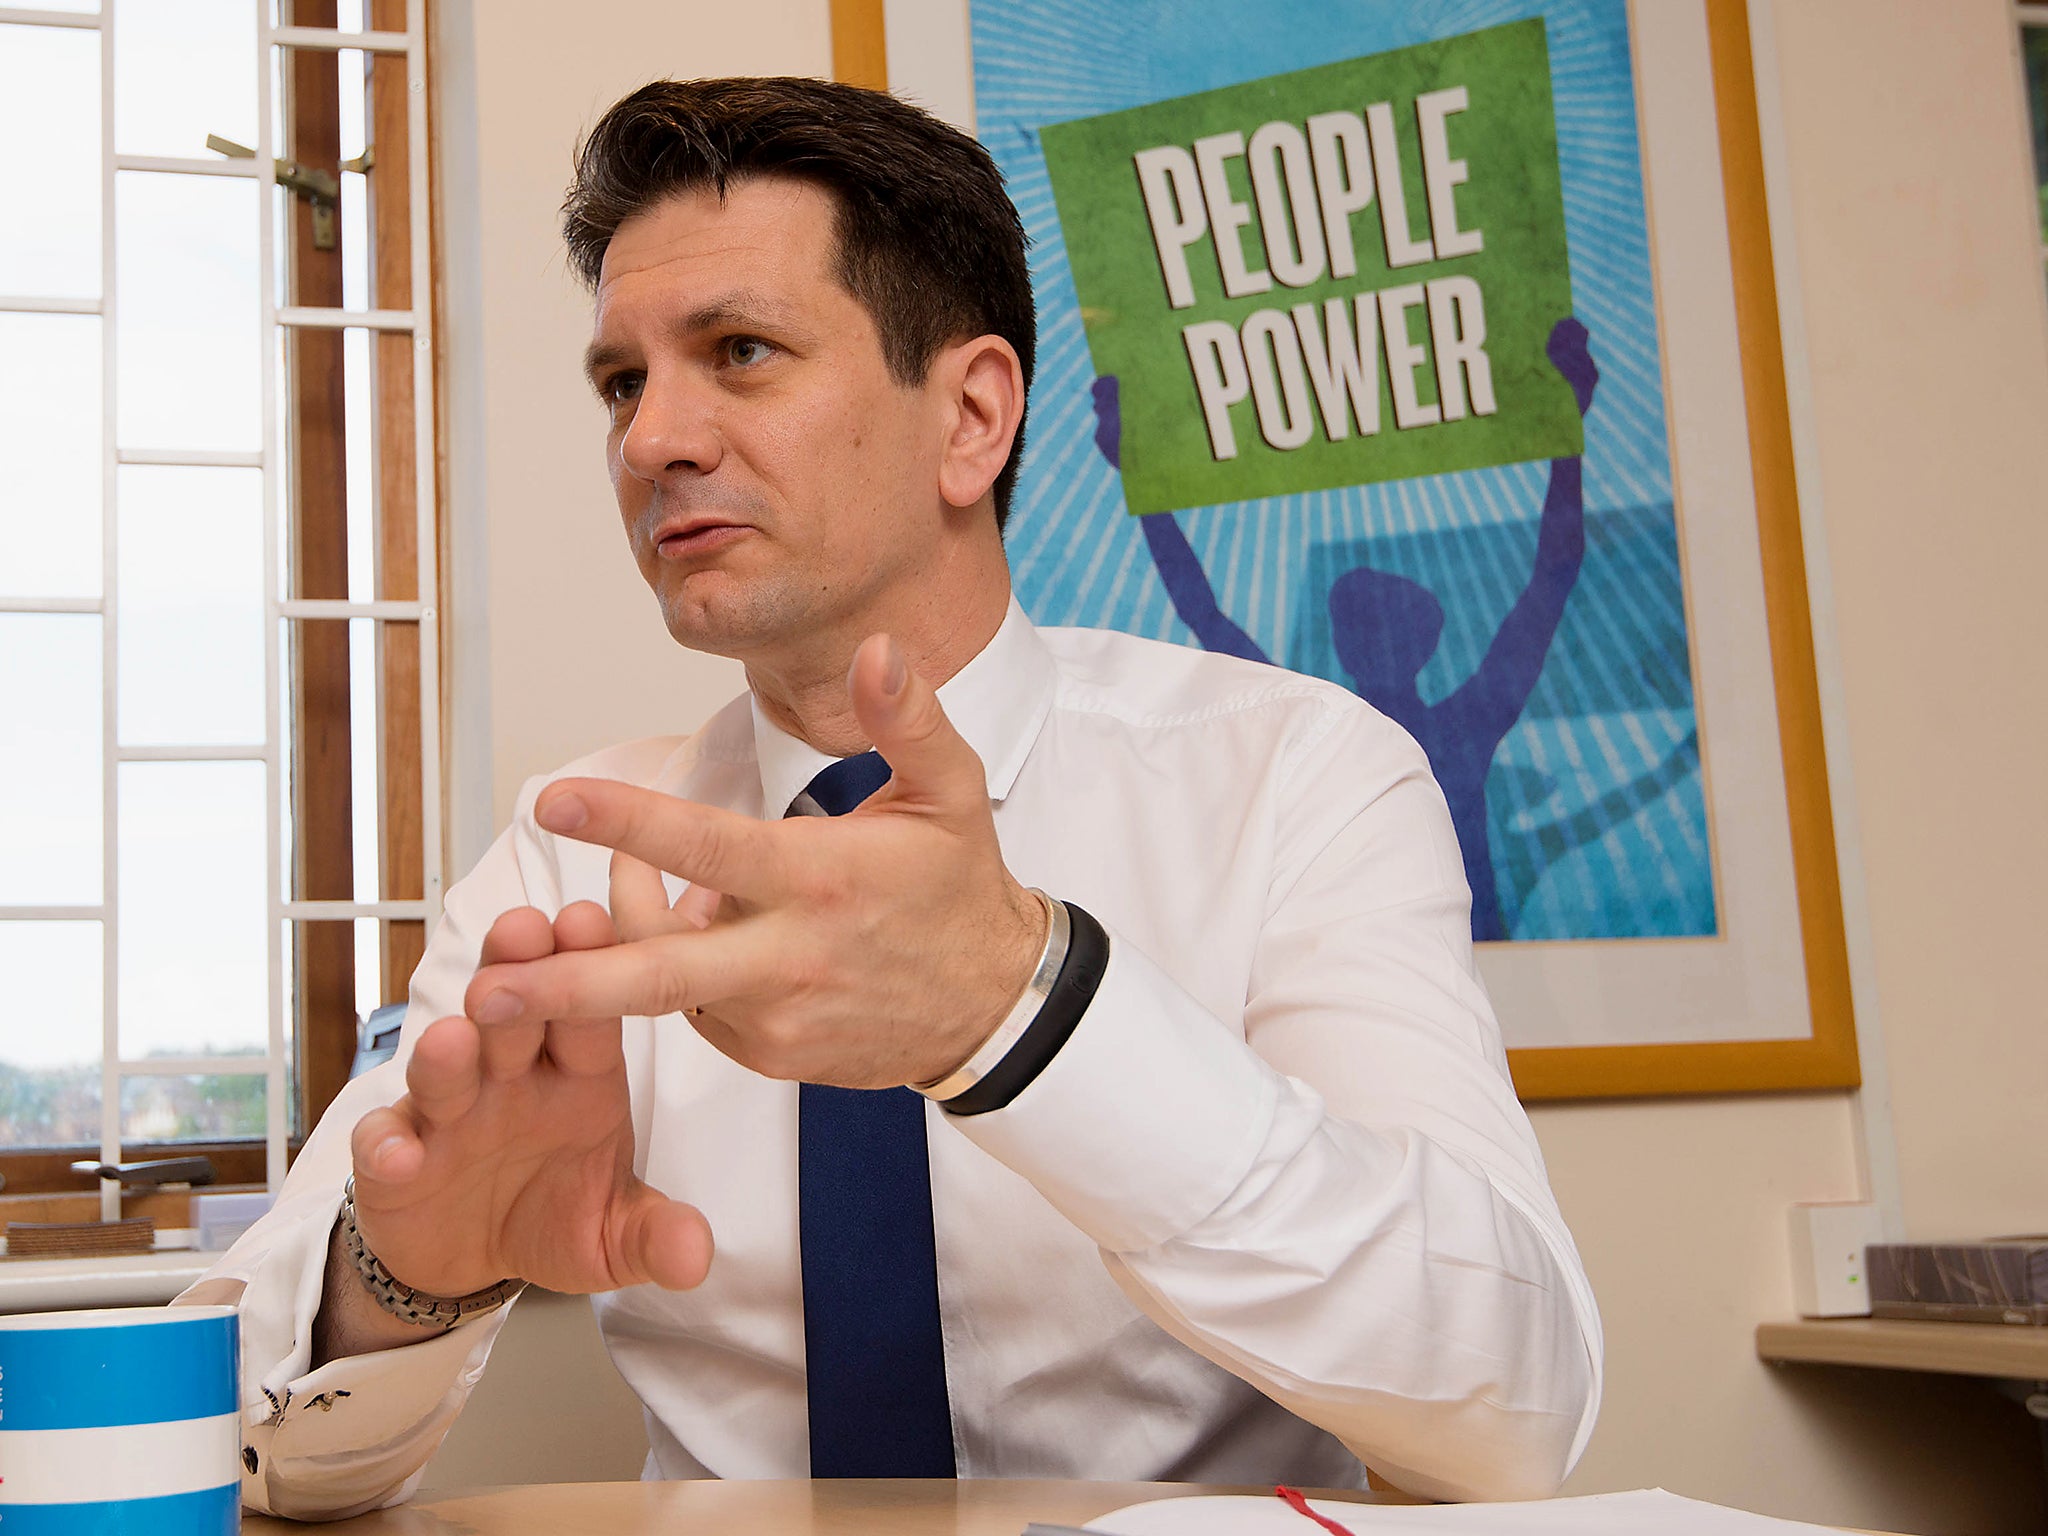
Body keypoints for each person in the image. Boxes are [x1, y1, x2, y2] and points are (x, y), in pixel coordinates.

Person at [178, 77, 1600, 1520]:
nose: (652, 440)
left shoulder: (1297, 781)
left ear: (971, 417)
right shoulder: (576, 858)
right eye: (622, 382)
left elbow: (1512, 1411)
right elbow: (238, 1446)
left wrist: (1021, 1008)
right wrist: (399, 1277)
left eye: (739, 351)